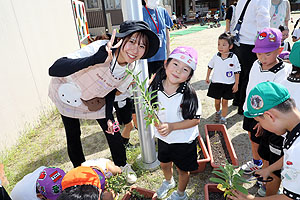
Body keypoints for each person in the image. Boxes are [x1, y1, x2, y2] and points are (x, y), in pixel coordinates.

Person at [48, 20, 159, 184]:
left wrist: (108, 116)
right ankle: (80, 173)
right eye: (132, 41)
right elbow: (55, 68)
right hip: (68, 91)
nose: (135, 50)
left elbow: (112, 91)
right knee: (73, 135)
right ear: (121, 40)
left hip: (96, 99)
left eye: (142, 46)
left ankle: (122, 165)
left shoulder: (132, 68)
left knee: (113, 131)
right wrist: (94, 59)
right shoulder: (99, 48)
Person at [228, 82, 300, 200]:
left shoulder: (297, 151)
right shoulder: (293, 130)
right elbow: (287, 155)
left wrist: (252, 199)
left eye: (260, 122)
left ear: (270, 116)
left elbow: (291, 198)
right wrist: (268, 169)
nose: (261, 126)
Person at [149, 46, 201, 200]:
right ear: (166, 64)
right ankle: (168, 181)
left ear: (190, 75)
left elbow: (195, 120)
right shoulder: (154, 87)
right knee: (164, 163)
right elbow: (149, 108)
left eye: (185, 69)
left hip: (184, 141)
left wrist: (172, 126)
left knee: (183, 170)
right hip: (164, 138)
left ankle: (181, 193)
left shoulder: (189, 95)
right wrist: (154, 119)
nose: (178, 71)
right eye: (175, 64)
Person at [241, 28, 291, 185]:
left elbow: (275, 101)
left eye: (267, 54)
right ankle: (256, 164)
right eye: (259, 53)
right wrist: (246, 109)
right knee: (252, 138)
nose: (262, 57)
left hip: (266, 119)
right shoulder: (256, 64)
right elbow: (250, 86)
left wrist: (262, 120)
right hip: (250, 112)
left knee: (266, 149)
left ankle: (265, 175)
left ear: (280, 50)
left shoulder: (282, 72)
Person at [232, 0, 270, 114]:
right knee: (249, 77)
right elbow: (263, 20)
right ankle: (242, 106)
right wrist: (264, 41)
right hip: (251, 43)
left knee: (240, 73)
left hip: (239, 41)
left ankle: (237, 100)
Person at [206, 32, 241, 125]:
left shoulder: (234, 58)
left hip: (228, 84)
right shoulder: (216, 56)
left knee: (225, 102)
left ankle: (223, 118)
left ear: (230, 46)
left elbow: (237, 71)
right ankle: (218, 113)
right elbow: (210, 66)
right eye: (219, 44)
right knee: (217, 102)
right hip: (216, 83)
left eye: (224, 45)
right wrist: (207, 77)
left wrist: (236, 84)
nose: (220, 47)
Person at [58, 158, 123, 200]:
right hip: (74, 178)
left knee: (118, 171)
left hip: (94, 167)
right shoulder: (67, 196)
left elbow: (108, 191)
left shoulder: (99, 180)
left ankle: (107, 163)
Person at [142, 0, 173, 76]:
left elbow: (166, 32)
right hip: (147, 56)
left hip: (161, 55)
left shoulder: (163, 11)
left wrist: (168, 51)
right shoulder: (140, 12)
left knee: (161, 81)